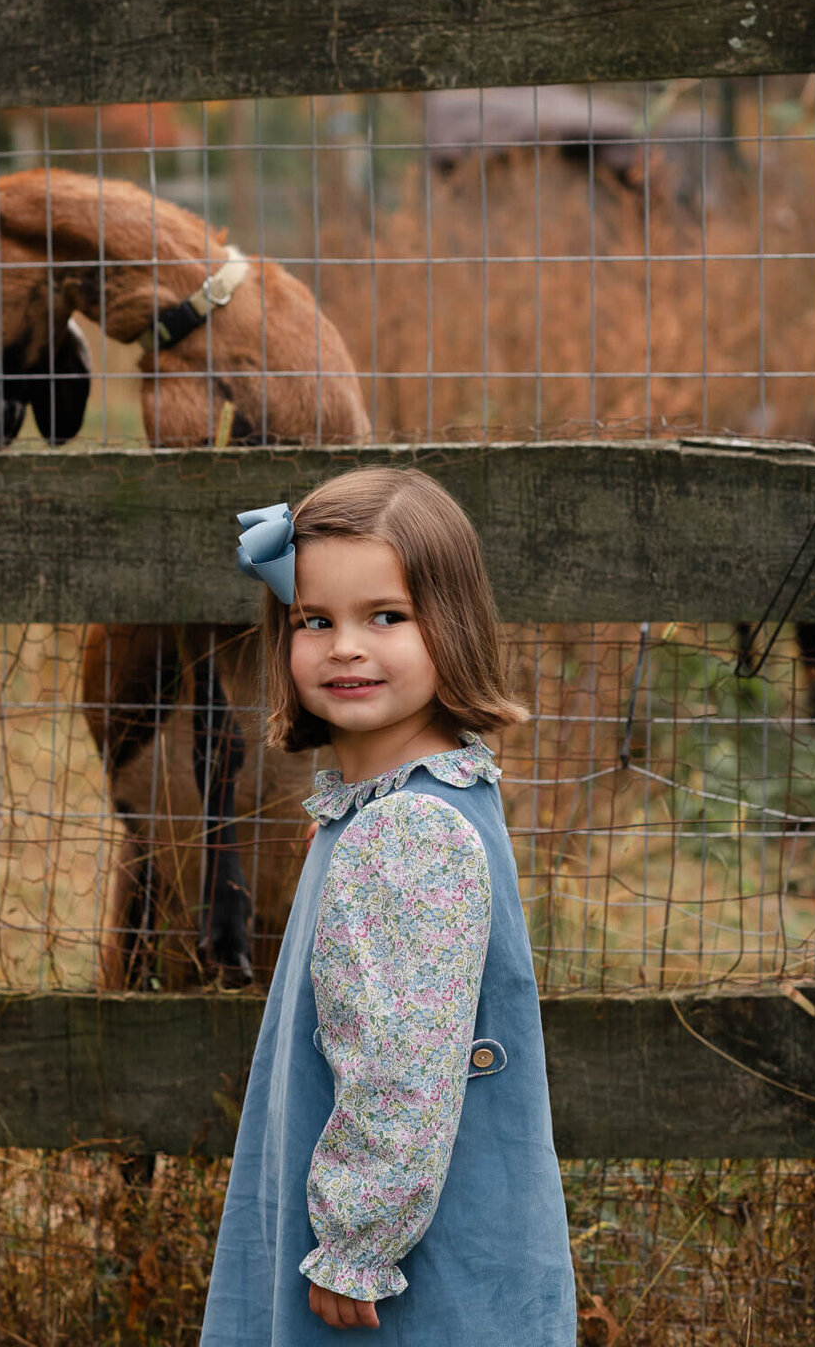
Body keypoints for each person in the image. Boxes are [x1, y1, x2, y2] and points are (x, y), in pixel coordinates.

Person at [200, 467, 576, 1346]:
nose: (344, 647)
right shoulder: (406, 803)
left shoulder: (404, 834)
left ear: (453, 627)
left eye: (386, 617)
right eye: (315, 621)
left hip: (404, 1292)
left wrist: (357, 1242)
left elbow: (400, 1070)